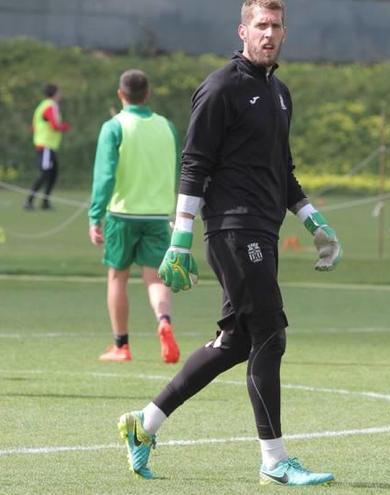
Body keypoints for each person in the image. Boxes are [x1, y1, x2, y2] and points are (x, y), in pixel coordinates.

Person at [115, 0, 340, 486]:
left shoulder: (279, 94)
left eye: (276, 25)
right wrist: (179, 240)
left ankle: (144, 425)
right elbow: (194, 165)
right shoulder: (220, 88)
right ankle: (274, 460)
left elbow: (284, 173)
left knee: (236, 342)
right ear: (242, 30)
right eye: (261, 24)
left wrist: (314, 222)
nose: (269, 33)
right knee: (271, 334)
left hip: (263, 231)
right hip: (232, 230)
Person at [88, 69, 181, 364]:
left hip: (122, 213)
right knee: (155, 278)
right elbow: (178, 168)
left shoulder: (114, 127)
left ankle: (121, 345)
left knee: (118, 277)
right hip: (157, 213)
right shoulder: (167, 127)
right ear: (148, 93)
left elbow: (104, 176)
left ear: (120, 94)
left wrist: (95, 216)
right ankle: (163, 320)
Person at [24, 83, 70, 210]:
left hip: (49, 146)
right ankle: (28, 201)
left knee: (53, 174)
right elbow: (54, 125)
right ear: (55, 94)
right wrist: (64, 127)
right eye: (59, 92)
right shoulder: (50, 106)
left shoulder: (43, 105)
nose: (60, 95)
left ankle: (45, 202)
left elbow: (34, 126)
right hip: (45, 146)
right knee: (45, 174)